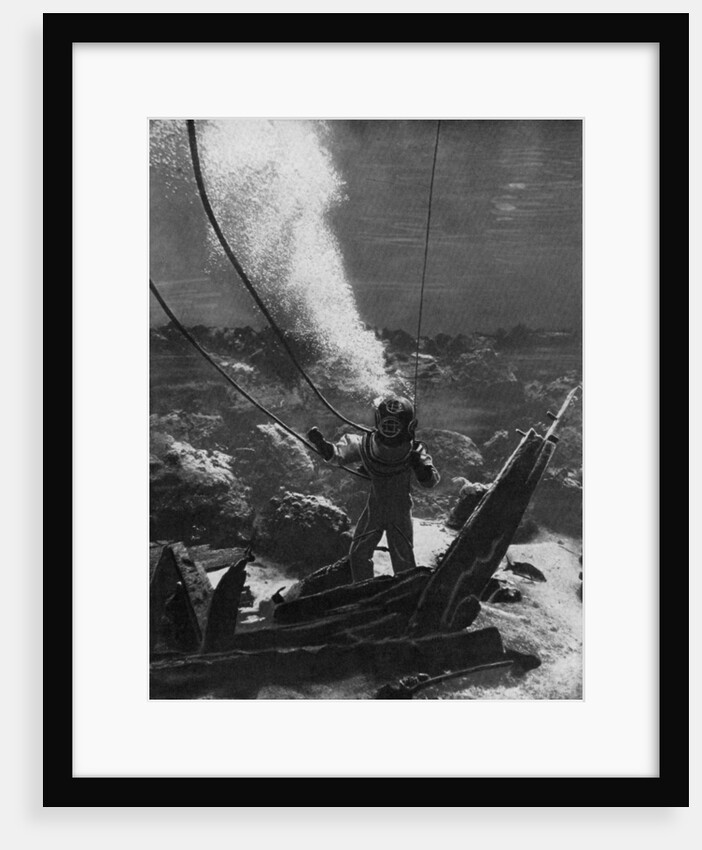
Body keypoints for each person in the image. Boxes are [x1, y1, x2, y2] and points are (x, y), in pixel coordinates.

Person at [308, 396, 440, 583]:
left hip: (397, 510)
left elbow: (430, 481)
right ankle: (364, 588)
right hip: (376, 508)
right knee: (359, 553)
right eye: (387, 424)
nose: (390, 430)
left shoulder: (414, 450)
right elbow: (339, 454)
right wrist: (324, 446)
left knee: (402, 558)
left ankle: (405, 589)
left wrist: (420, 467)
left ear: (409, 426)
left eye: (395, 425)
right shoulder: (366, 443)